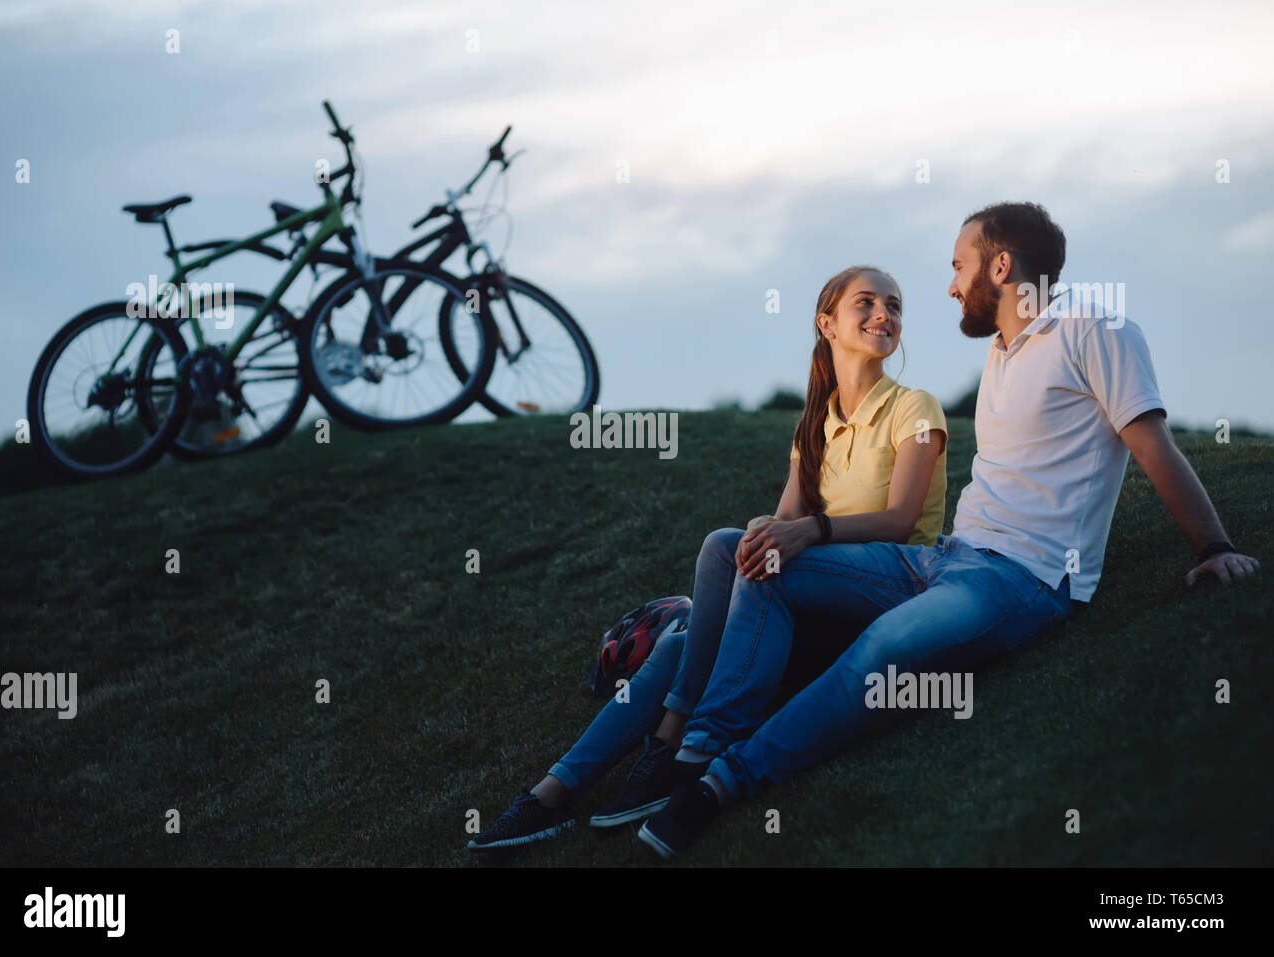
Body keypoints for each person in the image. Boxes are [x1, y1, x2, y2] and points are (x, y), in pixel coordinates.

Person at [636, 201, 1262, 860]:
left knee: (883, 647)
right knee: (766, 564)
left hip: (1023, 576)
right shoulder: (1002, 349)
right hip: (942, 558)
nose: (952, 285)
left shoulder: (1096, 329)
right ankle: (699, 745)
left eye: (960, 266)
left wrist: (1214, 547)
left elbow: (1152, 444)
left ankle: (720, 783)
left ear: (1000, 264)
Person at [468, 265, 949, 850]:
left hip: (894, 587)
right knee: (695, 609)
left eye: (894, 306)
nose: (884, 314)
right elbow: (778, 525)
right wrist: (763, 530)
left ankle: (688, 745)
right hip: (817, 600)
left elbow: (902, 520)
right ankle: (551, 794)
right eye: (866, 302)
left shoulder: (915, 407)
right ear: (827, 323)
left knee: (742, 554)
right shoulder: (811, 429)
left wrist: (809, 531)